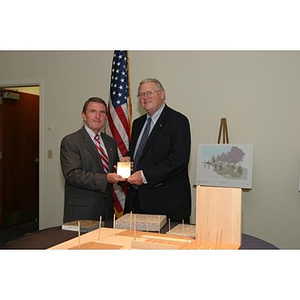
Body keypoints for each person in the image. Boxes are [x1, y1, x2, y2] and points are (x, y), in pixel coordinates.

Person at [123, 78, 191, 222]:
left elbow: (179, 160)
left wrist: (145, 175)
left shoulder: (178, 121)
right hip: (136, 203)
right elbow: (140, 153)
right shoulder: (137, 124)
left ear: (162, 94)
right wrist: (128, 158)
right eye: (141, 95)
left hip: (167, 204)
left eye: (149, 93)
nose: (145, 97)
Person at [60, 97, 125, 223]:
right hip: (82, 211)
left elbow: (112, 171)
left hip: (107, 210)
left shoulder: (110, 142)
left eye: (102, 112)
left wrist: (123, 171)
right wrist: (105, 178)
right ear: (84, 116)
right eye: (93, 111)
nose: (98, 116)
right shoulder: (71, 141)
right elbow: (72, 174)